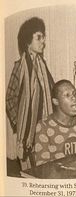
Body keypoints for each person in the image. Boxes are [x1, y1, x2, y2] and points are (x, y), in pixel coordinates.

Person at [6, 17, 54, 170]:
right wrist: (19, 123)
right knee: (31, 173)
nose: (43, 41)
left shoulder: (42, 65)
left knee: (45, 172)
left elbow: (52, 92)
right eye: (38, 37)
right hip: (28, 135)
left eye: (43, 37)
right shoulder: (19, 67)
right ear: (28, 41)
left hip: (45, 129)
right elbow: (9, 99)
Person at [34, 80, 76, 166]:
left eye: (74, 94)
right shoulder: (44, 126)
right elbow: (42, 166)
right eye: (67, 95)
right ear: (56, 101)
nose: (74, 98)